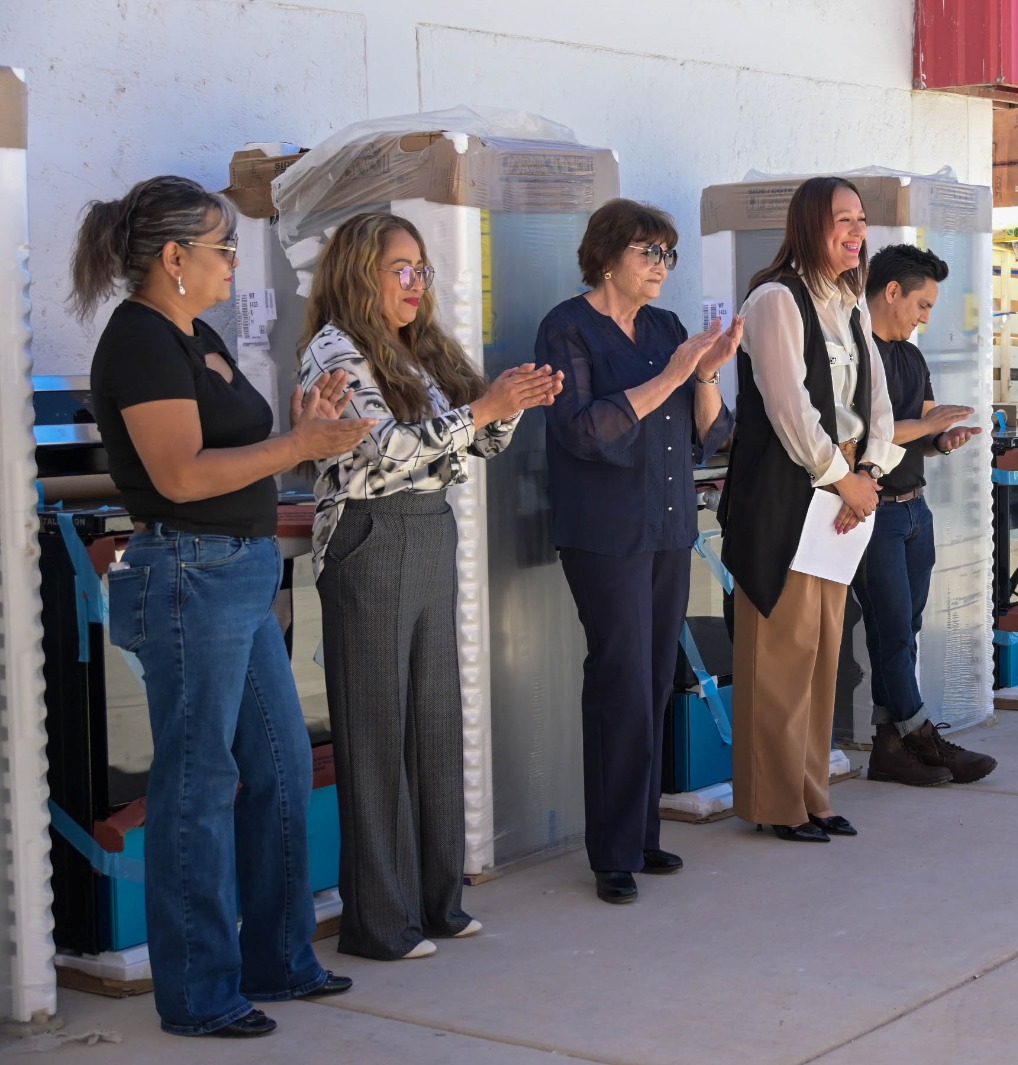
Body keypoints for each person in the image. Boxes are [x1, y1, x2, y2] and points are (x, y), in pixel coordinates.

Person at [76, 175, 371, 1037]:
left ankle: (279, 958)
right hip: (189, 577)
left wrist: (299, 425)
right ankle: (200, 992)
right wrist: (298, 444)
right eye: (224, 248)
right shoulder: (139, 343)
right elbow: (179, 475)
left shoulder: (194, 333)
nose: (236, 263)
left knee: (277, 767)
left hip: (237, 573)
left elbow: (237, 447)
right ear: (174, 259)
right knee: (197, 785)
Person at [298, 212, 561, 959]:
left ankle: (436, 903)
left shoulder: (414, 349)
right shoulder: (333, 350)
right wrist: (482, 409)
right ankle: (379, 924)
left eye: (423, 270)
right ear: (360, 274)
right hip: (370, 537)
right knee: (377, 736)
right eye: (402, 269)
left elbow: (472, 440)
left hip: (427, 526)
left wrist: (510, 404)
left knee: (435, 725)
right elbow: (380, 451)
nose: (418, 284)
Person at [536, 200, 740, 904]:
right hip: (604, 533)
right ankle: (612, 850)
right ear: (608, 254)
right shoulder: (567, 327)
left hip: (667, 526)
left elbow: (709, 435)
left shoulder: (667, 329)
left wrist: (707, 372)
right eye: (649, 252)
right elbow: (586, 430)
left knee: (654, 679)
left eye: (667, 255)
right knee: (620, 677)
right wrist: (673, 375)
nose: (661, 267)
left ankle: (643, 833)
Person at [717, 176, 903, 841]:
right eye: (841, 220)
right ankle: (775, 803)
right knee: (780, 651)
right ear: (807, 225)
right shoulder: (775, 299)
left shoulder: (850, 303)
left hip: (846, 485)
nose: (855, 232)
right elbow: (788, 407)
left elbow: (875, 398)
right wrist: (840, 478)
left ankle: (812, 793)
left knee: (823, 649)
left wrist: (872, 470)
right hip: (792, 492)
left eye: (860, 220)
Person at [855, 244, 996, 787]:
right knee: (892, 631)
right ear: (891, 292)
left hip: (915, 508)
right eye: (923, 304)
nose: (925, 317)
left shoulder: (911, 356)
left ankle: (888, 749)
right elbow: (869, 435)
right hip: (873, 510)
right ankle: (921, 734)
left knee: (905, 630)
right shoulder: (855, 351)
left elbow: (918, 433)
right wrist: (925, 425)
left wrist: (943, 437)